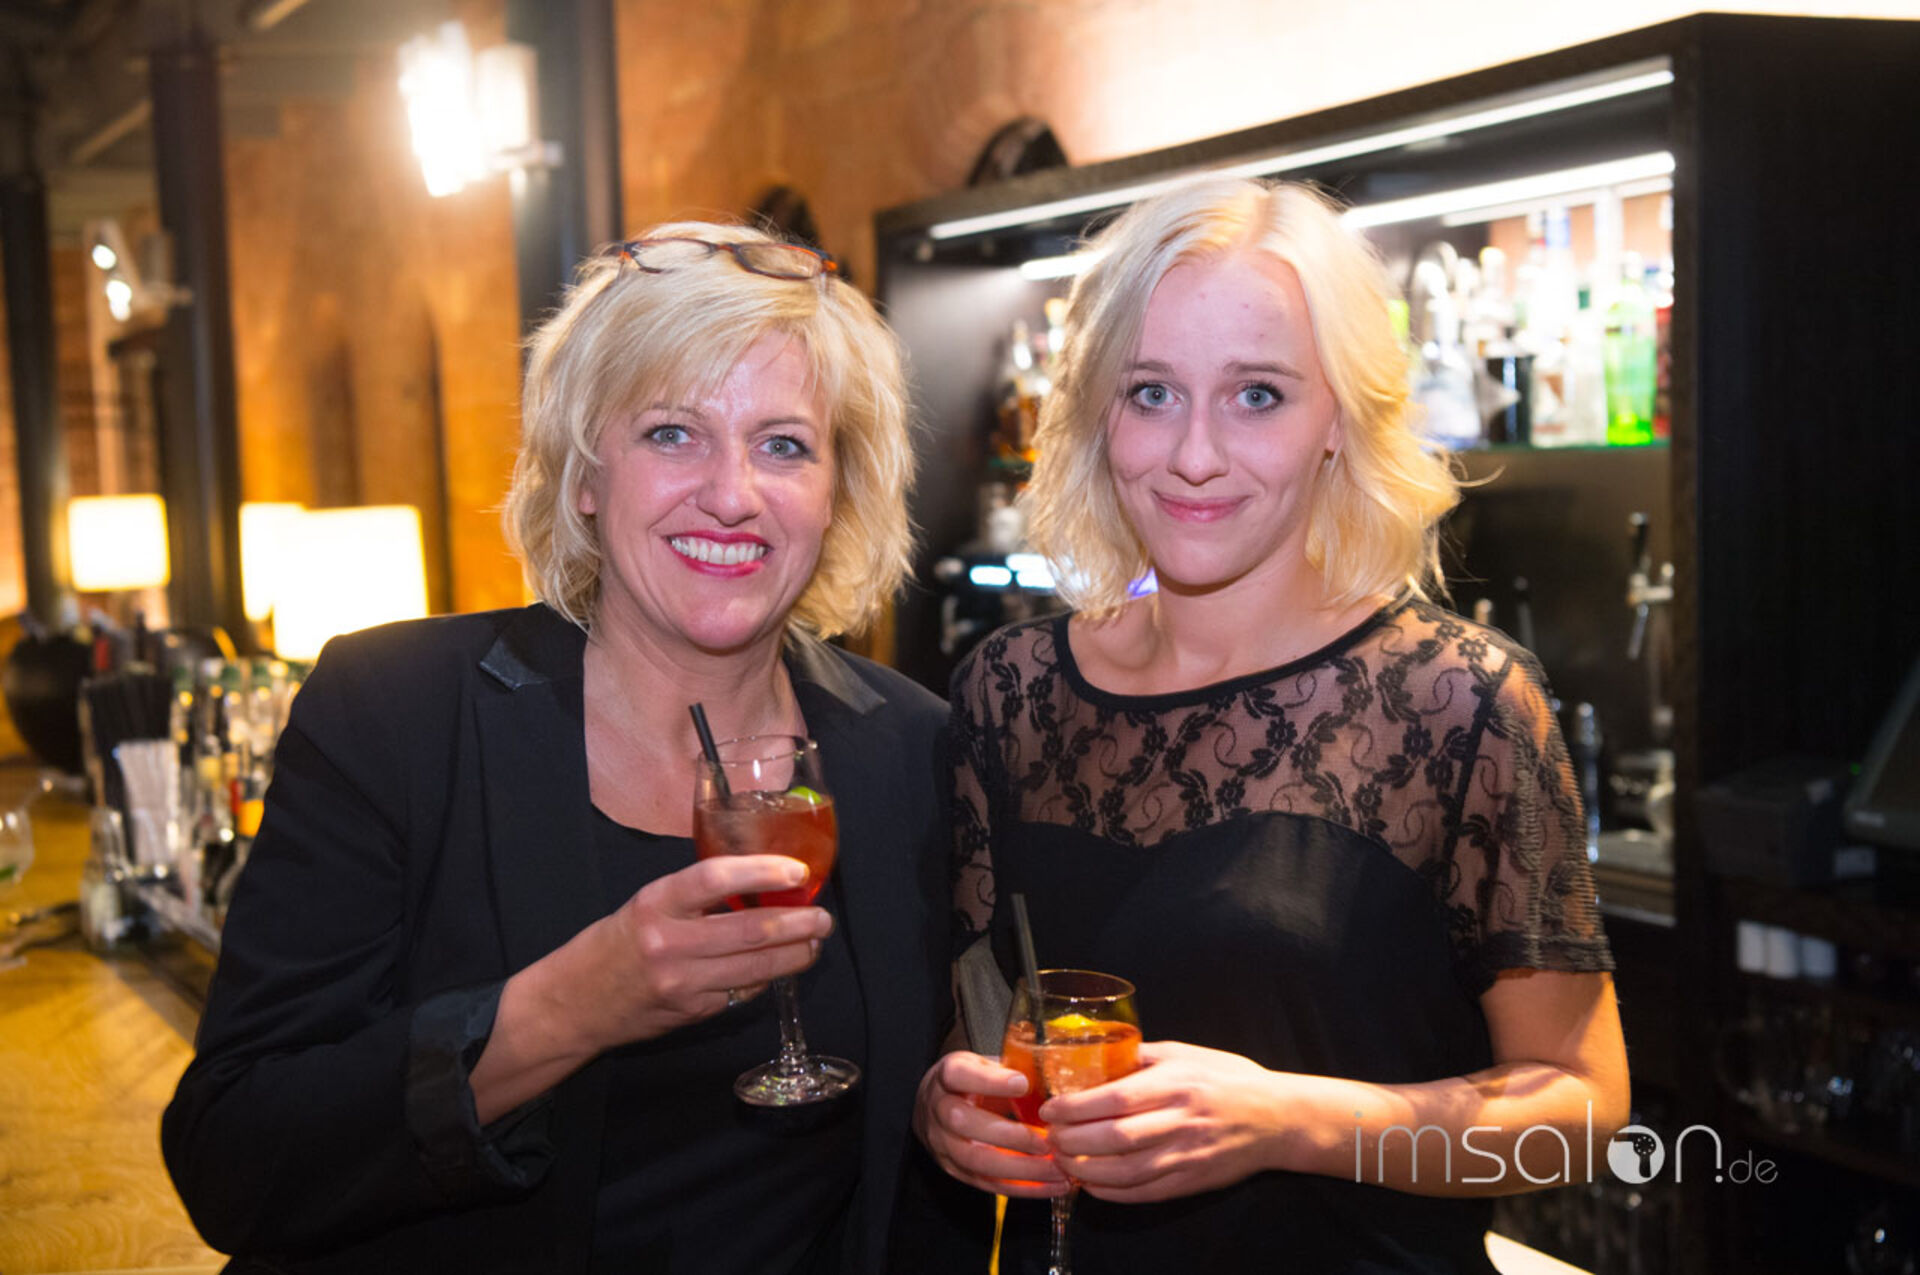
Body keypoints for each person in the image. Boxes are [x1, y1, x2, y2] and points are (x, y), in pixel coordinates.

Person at [163, 224, 952, 1274]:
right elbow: (232, 1155)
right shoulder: (396, 714)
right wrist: (567, 1009)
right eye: (672, 434)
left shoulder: (914, 747)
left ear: (838, 490)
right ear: (584, 476)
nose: (732, 493)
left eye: (784, 445)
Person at [913, 178, 1630, 1272]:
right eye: (1151, 392)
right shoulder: (1007, 693)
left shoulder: (1458, 701)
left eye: (1257, 395)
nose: (1195, 453)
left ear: (1338, 419)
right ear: (1099, 412)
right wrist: (949, 1107)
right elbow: (976, 1026)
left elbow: (1578, 1112)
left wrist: (1287, 1121)